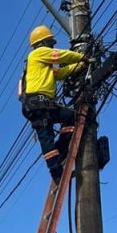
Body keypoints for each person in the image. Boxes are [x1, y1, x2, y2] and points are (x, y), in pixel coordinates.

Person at [18, 25, 87, 183]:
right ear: (44, 43)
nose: (52, 46)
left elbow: (61, 72)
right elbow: (60, 56)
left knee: (70, 117)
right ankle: (57, 173)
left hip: (41, 105)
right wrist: (81, 57)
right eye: (50, 43)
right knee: (47, 138)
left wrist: (81, 66)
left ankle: (61, 149)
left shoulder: (43, 64)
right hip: (38, 104)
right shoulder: (38, 54)